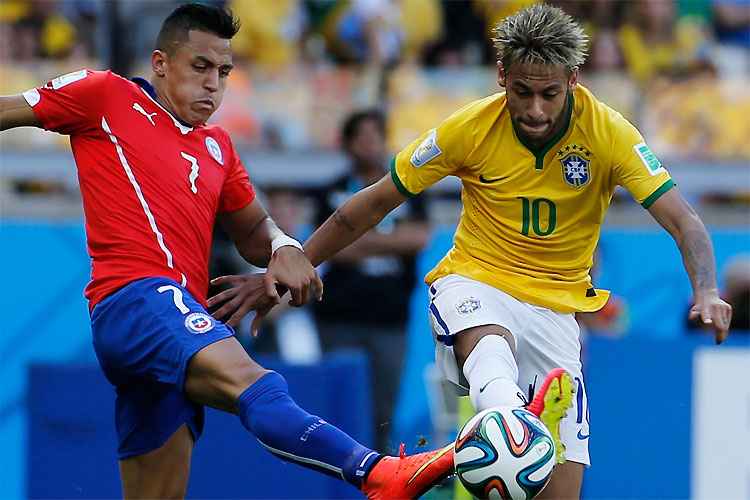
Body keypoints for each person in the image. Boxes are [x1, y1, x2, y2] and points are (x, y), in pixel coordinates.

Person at [216, 4, 733, 498]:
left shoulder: (610, 134)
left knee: (558, 490)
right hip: (475, 281)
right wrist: (296, 262)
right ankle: (511, 415)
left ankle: (513, 421)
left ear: (574, 80)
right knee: (490, 353)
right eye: (523, 92)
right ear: (502, 76)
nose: (535, 109)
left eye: (550, 94)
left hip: (556, 310)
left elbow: (684, 220)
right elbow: (368, 206)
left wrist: (707, 289)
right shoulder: (466, 129)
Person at [0, 4, 453, 499]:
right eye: (200, 66)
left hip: (171, 323)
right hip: (136, 299)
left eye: (223, 71)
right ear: (160, 63)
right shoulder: (106, 95)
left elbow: (254, 226)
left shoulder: (218, 146)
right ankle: (377, 472)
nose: (213, 83)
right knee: (256, 383)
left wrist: (283, 246)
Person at [311, 109, 429, 451]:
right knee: (339, 405)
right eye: (361, 137)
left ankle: (378, 478)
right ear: (347, 144)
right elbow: (327, 250)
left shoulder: (406, 188)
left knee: (383, 408)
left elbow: (419, 237)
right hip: (339, 317)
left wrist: (353, 235)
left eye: (375, 136)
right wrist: (387, 241)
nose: (370, 144)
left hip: (390, 320)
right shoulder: (329, 192)